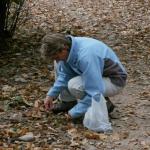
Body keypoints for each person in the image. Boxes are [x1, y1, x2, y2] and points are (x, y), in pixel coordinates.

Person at [40, 33, 127, 119]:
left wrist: (74, 113)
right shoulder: (69, 49)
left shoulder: (86, 56)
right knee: (58, 65)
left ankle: (105, 105)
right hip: (98, 77)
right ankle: (68, 102)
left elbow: (94, 91)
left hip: (114, 81)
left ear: (64, 49)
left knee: (74, 85)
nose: (58, 60)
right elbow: (65, 75)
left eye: (57, 57)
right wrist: (50, 95)